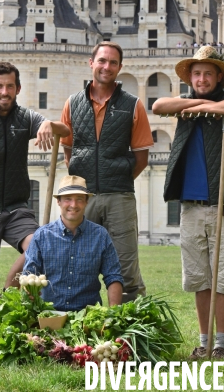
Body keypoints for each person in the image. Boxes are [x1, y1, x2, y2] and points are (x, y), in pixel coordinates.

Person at [0, 61, 70, 345]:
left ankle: (10, 285)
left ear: (18, 89)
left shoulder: (26, 117)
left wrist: (47, 124)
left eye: (9, 86)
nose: (4, 91)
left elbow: (65, 131)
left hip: (17, 206)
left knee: (40, 246)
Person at [152, 46, 224, 361]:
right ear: (190, 77)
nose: (202, 78)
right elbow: (158, 104)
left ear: (219, 76)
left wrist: (207, 105)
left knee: (223, 279)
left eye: (208, 73)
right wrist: (195, 104)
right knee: (199, 278)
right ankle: (204, 342)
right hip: (191, 206)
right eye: (197, 73)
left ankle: (220, 345)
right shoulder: (183, 106)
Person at [60, 42, 154, 302]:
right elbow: (69, 152)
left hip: (119, 197)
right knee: (78, 266)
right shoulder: (72, 103)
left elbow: (141, 158)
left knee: (126, 269)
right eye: (102, 61)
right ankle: (82, 330)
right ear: (91, 63)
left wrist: (118, 177)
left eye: (113, 62)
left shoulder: (133, 105)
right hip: (83, 197)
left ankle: (130, 331)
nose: (107, 66)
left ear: (120, 68)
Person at [24, 175, 123, 310]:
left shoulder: (100, 235)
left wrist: (114, 313)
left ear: (87, 201)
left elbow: (113, 276)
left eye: (79, 199)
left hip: (88, 316)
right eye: (67, 199)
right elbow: (29, 275)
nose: (73, 205)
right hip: (49, 316)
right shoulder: (42, 235)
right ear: (58, 201)